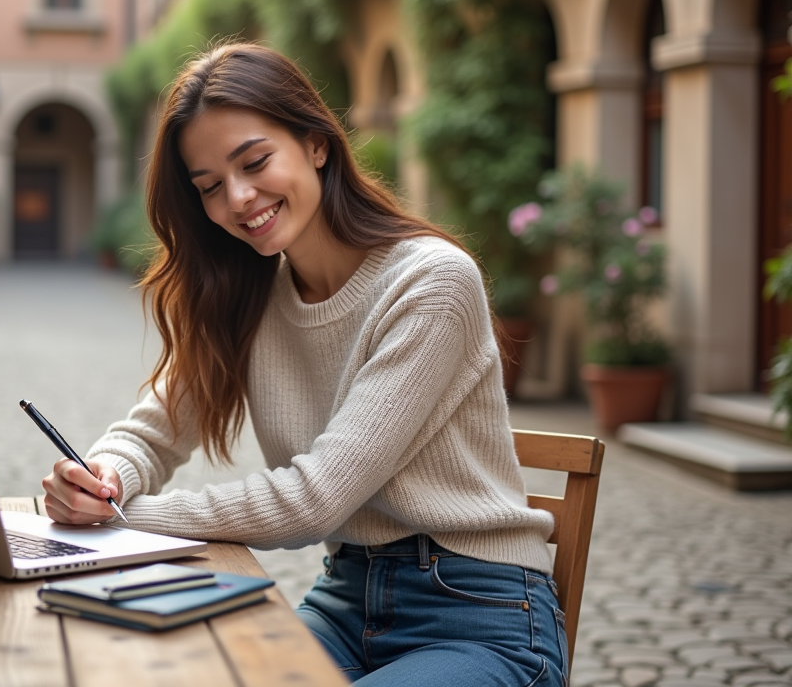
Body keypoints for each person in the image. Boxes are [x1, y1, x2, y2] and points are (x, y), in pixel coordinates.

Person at [42, 42, 566, 685]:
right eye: (210, 187)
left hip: (479, 616)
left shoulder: (430, 283)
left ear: (316, 144)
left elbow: (314, 501)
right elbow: (153, 432)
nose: (239, 197)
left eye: (255, 162)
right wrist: (104, 478)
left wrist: (128, 520)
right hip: (344, 603)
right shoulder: (249, 293)